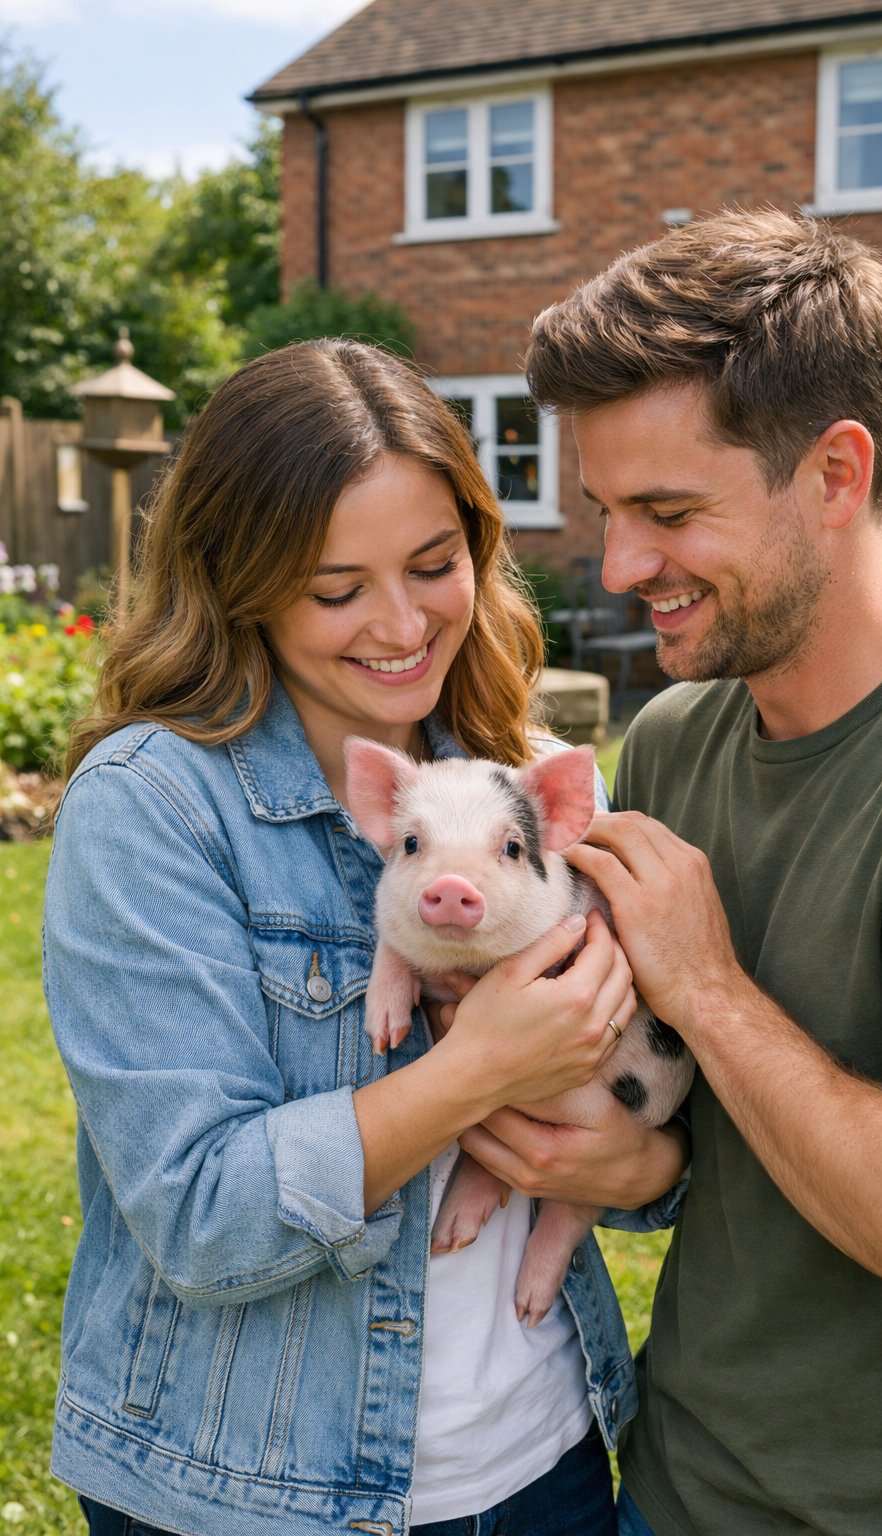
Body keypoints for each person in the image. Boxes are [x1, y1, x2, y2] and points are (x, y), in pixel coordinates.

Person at [42, 338, 688, 1536]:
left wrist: (641, 1167)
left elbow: (648, 1110)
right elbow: (197, 1216)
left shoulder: (519, 784)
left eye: (434, 565)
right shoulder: (154, 806)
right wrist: (481, 1067)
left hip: (543, 1456)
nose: (399, 625)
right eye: (336, 589)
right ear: (239, 581)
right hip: (248, 1496)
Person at [457, 209, 882, 1535]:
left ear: (834, 472)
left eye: (667, 512)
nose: (619, 568)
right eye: (607, 511)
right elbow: (690, 1147)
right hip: (672, 1482)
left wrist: (708, 985)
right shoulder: (676, 737)